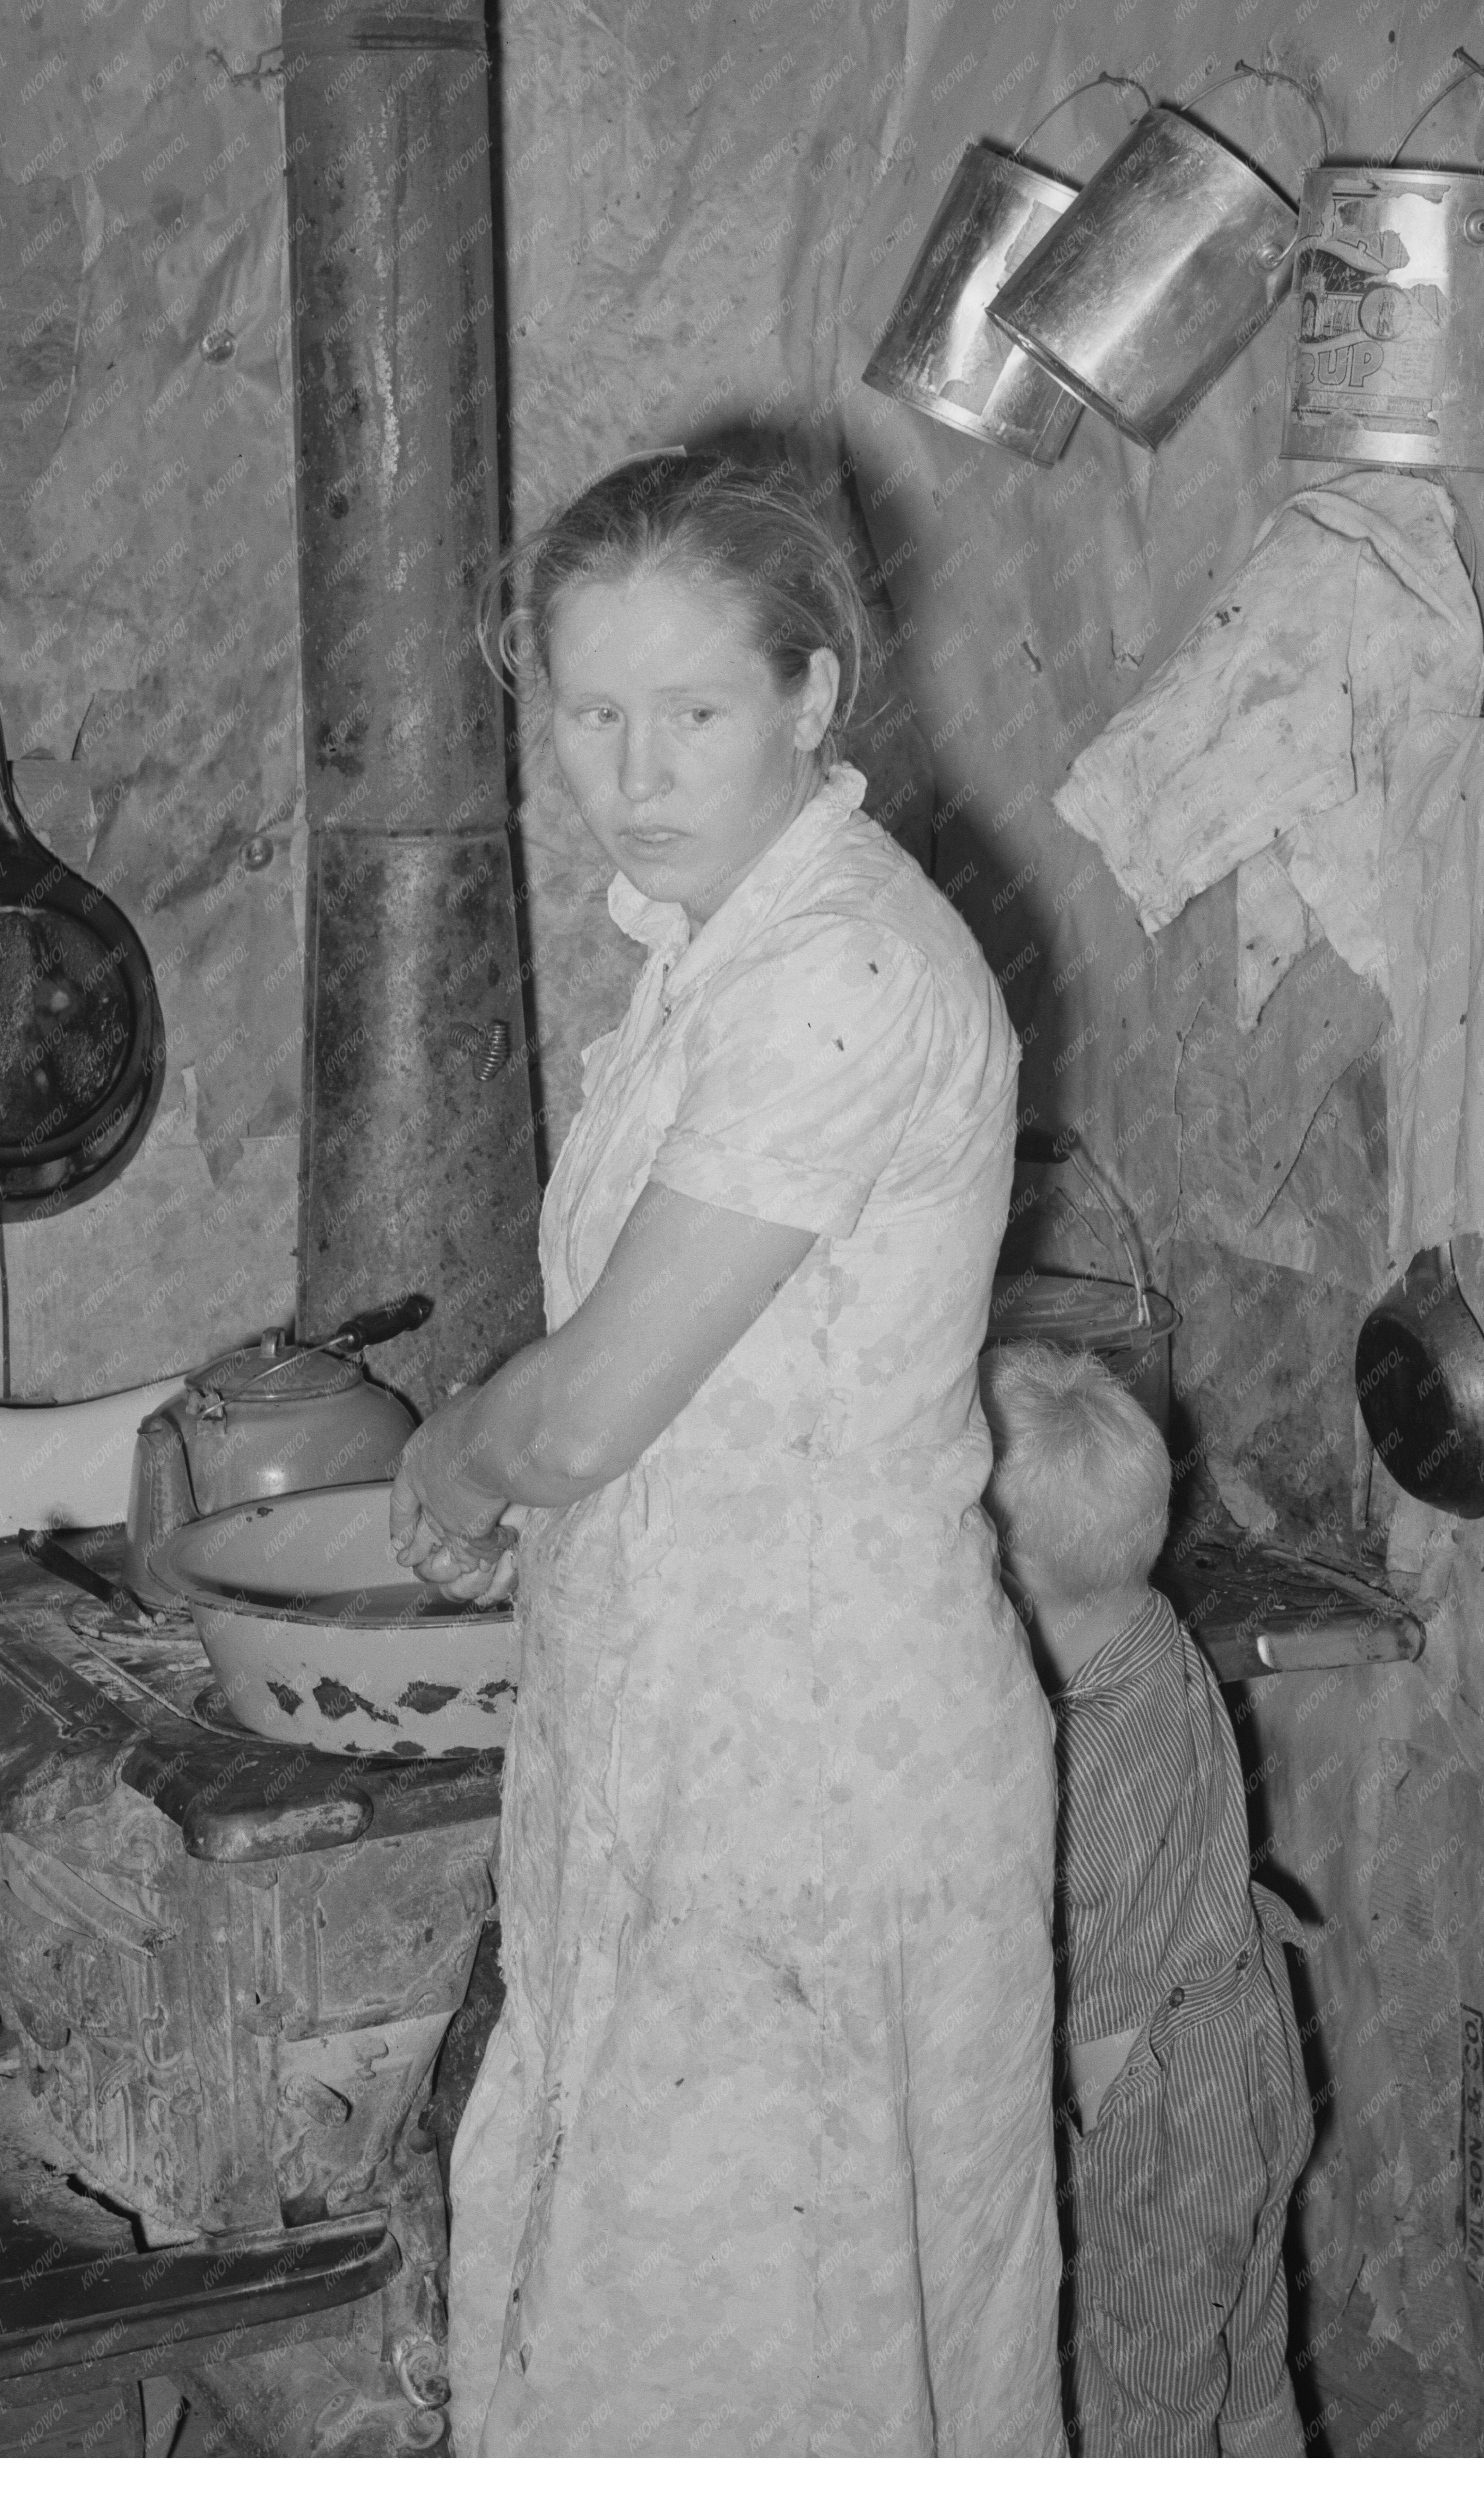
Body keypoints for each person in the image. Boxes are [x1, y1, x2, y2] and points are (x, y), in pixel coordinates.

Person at [389, 447, 1064, 2457]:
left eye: (691, 711)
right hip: (695, 1735)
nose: (631, 765)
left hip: (821, 1783)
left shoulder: (840, 974)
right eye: (589, 712)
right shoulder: (719, 951)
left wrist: (465, 1454)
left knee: (791, 2372)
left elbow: (593, 1400)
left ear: (809, 694)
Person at [978, 1340, 1314, 2459]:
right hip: (1250, 2053)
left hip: (1163, 2135)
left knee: (1144, 2409)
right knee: (1247, 2360)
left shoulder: (1079, 1763)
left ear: (1001, 1573)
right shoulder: (1148, 1630)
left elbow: (1101, 2044)